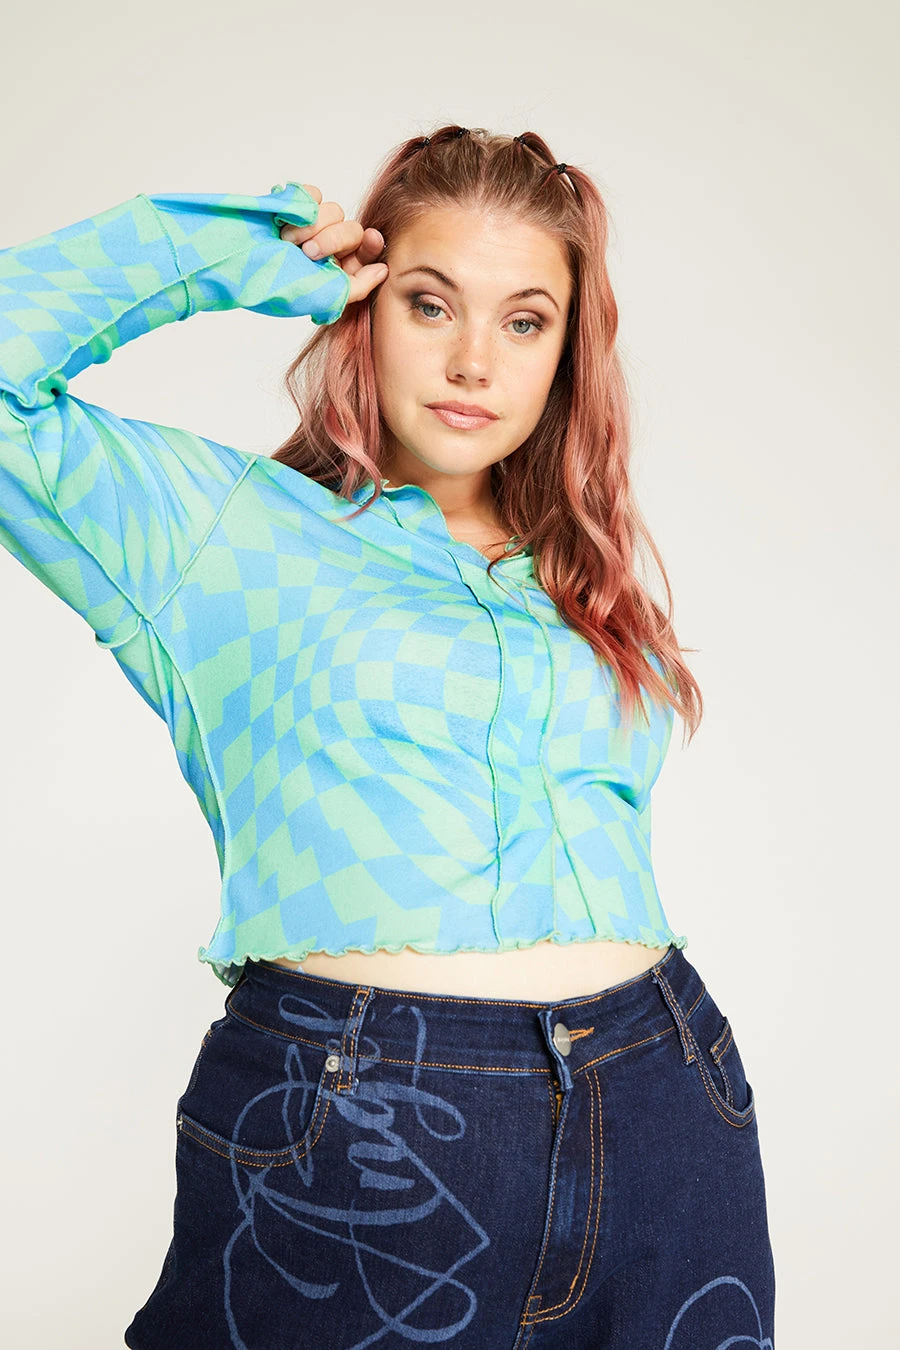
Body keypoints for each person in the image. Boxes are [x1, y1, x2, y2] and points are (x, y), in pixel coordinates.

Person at [0, 124, 776, 1347]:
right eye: (430, 303)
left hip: (667, 1103)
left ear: (567, 351)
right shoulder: (224, 537)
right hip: (366, 1132)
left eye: (525, 321)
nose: (474, 360)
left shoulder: (577, 580)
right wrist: (223, 256)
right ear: (364, 305)